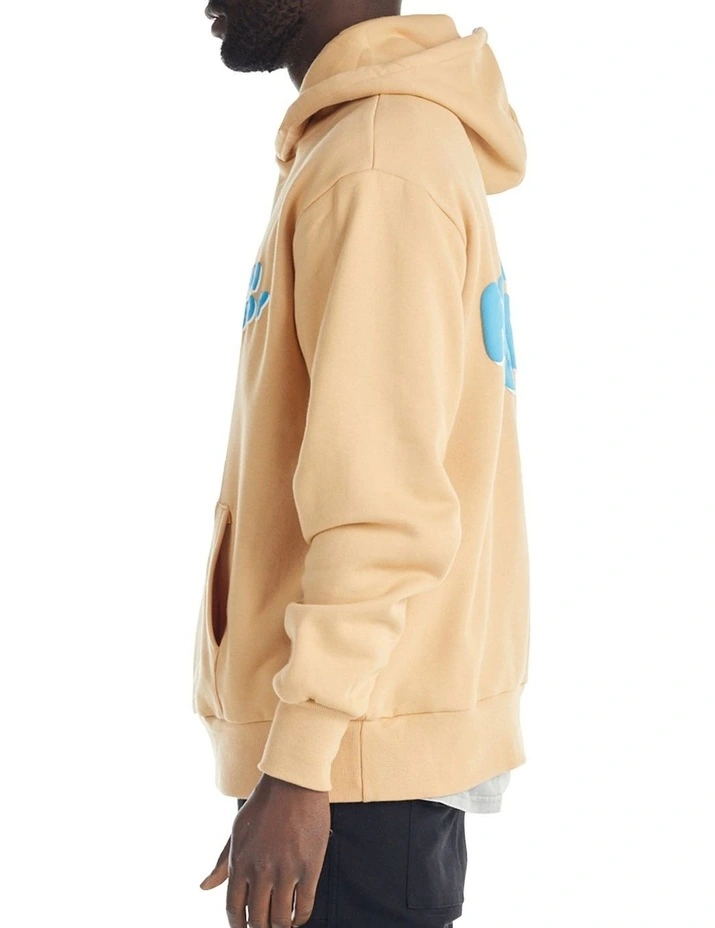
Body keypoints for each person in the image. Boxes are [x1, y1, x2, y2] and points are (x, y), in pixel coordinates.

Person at [193, 2, 530, 926]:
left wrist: (301, 765)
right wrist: (283, 760)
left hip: (352, 773)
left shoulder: (378, 161)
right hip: (351, 760)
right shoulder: (370, 147)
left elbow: (384, 505)